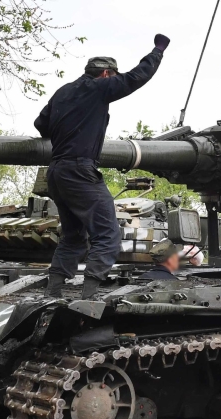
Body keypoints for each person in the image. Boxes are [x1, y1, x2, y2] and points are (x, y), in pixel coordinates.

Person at [36, 34, 171, 300]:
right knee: (108, 234)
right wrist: (158, 51)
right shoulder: (99, 87)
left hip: (56, 173)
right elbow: (136, 77)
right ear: (106, 74)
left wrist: (69, 130)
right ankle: (89, 295)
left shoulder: (63, 92)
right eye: (113, 77)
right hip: (80, 171)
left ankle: (53, 292)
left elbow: (41, 124)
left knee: (73, 236)